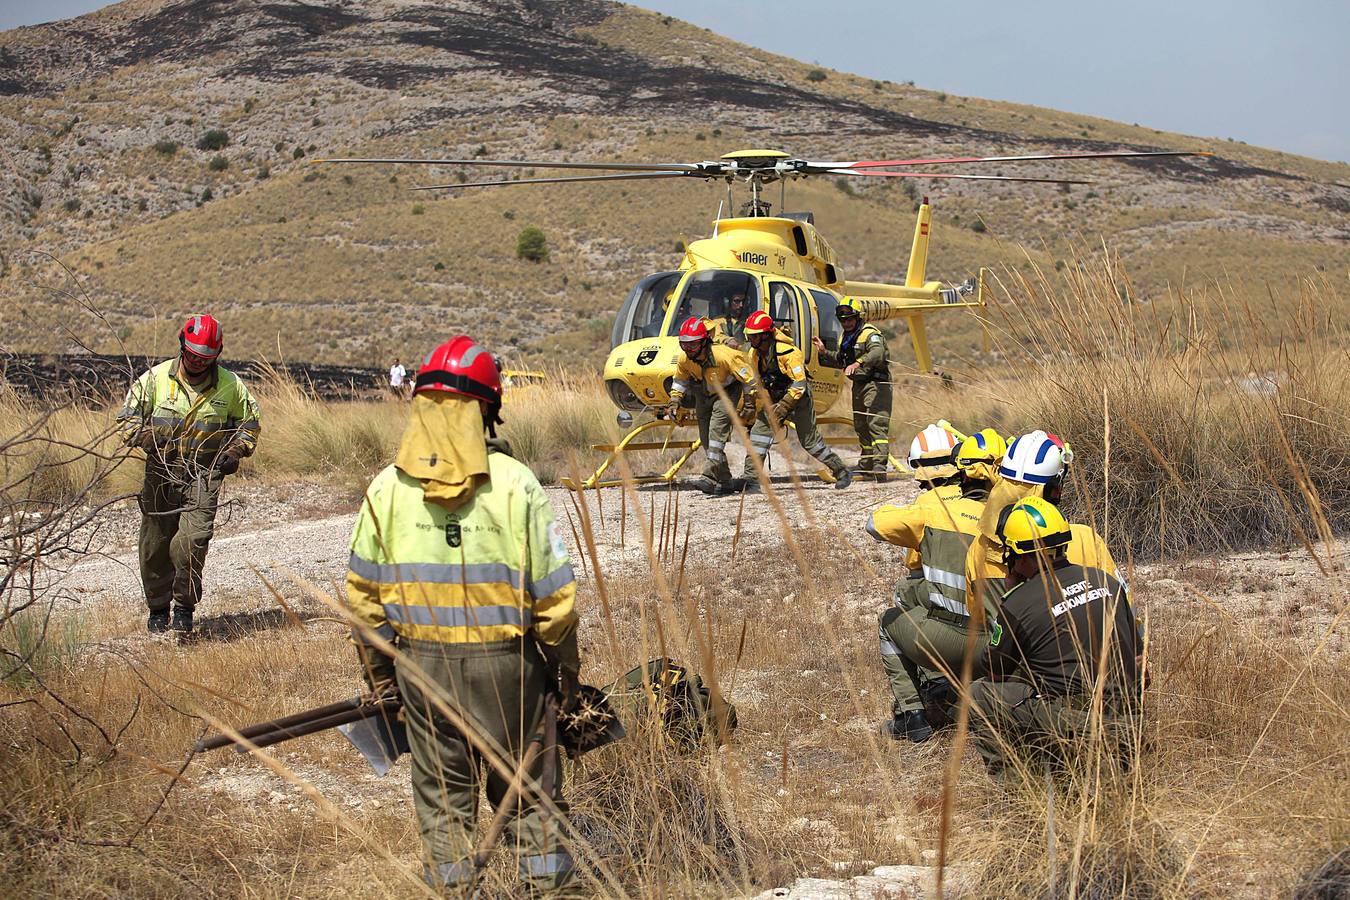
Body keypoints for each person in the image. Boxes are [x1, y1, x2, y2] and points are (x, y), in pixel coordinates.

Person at [343, 336, 582, 893]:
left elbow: (362, 600)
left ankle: (452, 889)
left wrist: (383, 678)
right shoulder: (517, 485)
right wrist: (564, 674)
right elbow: (556, 602)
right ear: (488, 409)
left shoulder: (385, 489)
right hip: (510, 673)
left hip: (421, 672)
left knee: (443, 806)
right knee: (529, 800)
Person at [969, 496, 1141, 778]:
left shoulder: (1018, 603)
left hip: (1077, 719)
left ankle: (1018, 787)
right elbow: (1137, 656)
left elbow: (996, 672)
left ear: (1020, 555)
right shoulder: (1106, 580)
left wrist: (1010, 596)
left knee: (978, 694)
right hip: (1127, 710)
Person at [116, 314, 260, 634]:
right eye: (193, 355)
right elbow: (126, 419)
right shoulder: (154, 379)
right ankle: (158, 608)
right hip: (160, 472)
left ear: (217, 355)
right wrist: (146, 438)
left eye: (205, 358)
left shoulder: (231, 386)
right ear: (182, 347)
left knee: (192, 542)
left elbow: (249, 424)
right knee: (155, 544)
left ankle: (184, 607)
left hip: (204, 474)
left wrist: (235, 451)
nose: (198, 362)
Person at [868, 428, 1005, 742]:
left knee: (901, 602)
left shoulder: (931, 509)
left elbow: (884, 534)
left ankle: (914, 713)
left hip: (958, 636)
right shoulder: (1011, 515)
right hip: (1003, 644)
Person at [965, 430, 1129, 616]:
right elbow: (1123, 607)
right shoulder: (1085, 540)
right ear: (1054, 490)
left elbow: (977, 619)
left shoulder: (978, 549)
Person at [741, 311, 852, 491]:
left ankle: (841, 470)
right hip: (775, 398)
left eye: (753, 336)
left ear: (765, 336)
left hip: (799, 400)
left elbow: (799, 384)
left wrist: (784, 406)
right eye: (749, 336)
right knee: (758, 437)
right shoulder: (754, 354)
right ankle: (751, 479)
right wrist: (750, 402)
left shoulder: (789, 352)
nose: (750, 340)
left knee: (811, 443)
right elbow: (756, 382)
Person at [666, 316, 758, 496]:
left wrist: (749, 403)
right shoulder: (684, 359)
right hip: (703, 394)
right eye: (684, 345)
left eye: (692, 345)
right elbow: (680, 381)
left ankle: (708, 477)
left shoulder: (725, 356)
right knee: (707, 440)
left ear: (704, 342)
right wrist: (674, 400)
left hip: (727, 393)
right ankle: (725, 482)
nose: (688, 350)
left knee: (716, 434)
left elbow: (750, 380)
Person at [812, 299, 892, 480]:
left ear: (857, 318)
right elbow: (842, 360)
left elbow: (878, 353)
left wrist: (858, 363)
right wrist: (824, 352)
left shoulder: (869, 334)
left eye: (849, 319)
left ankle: (879, 467)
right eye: (842, 320)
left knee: (876, 425)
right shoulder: (846, 337)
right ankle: (867, 465)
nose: (846, 323)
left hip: (876, 385)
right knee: (861, 425)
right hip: (859, 385)